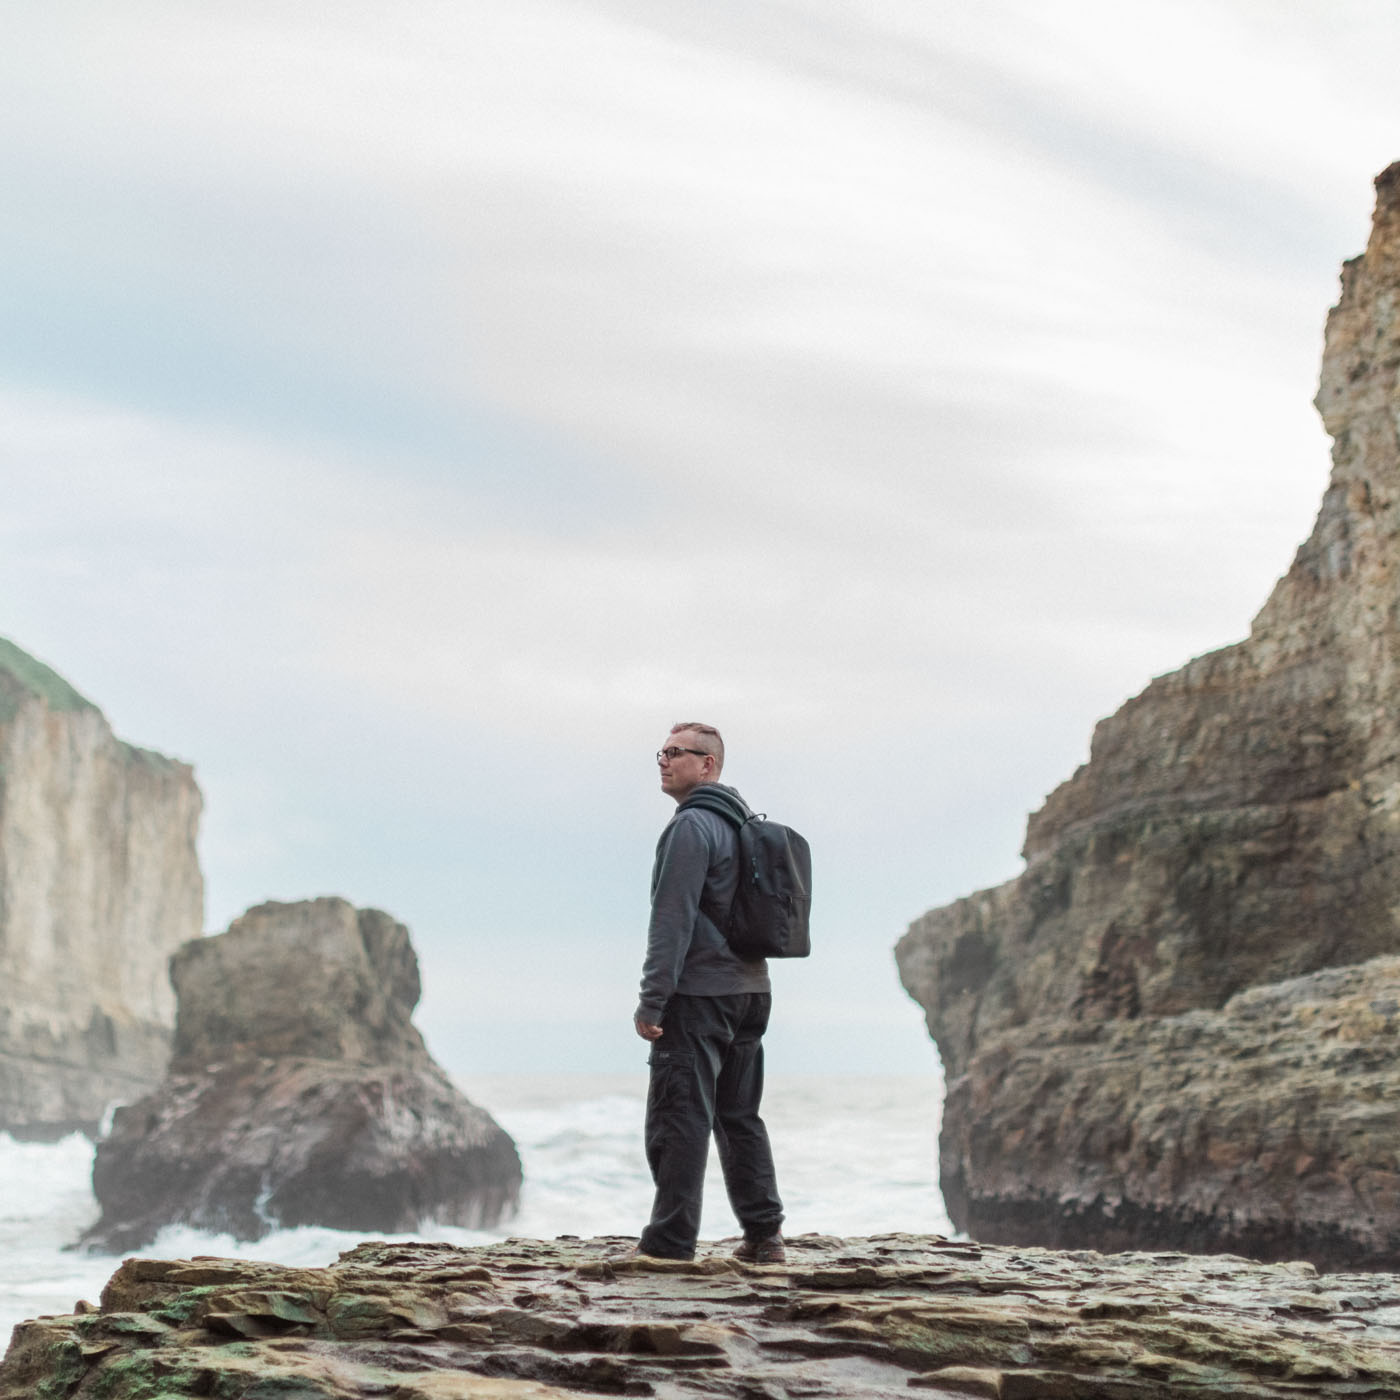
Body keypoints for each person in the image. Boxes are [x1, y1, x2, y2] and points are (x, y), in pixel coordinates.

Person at [632, 721, 785, 1263]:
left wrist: (653, 999)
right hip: (751, 992)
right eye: (662, 752)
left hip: (699, 994)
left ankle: (670, 1244)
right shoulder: (744, 824)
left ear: (708, 765)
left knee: (680, 1116)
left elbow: (670, 920)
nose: (663, 760)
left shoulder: (692, 827)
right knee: (739, 1115)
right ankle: (765, 1238)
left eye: (676, 753)